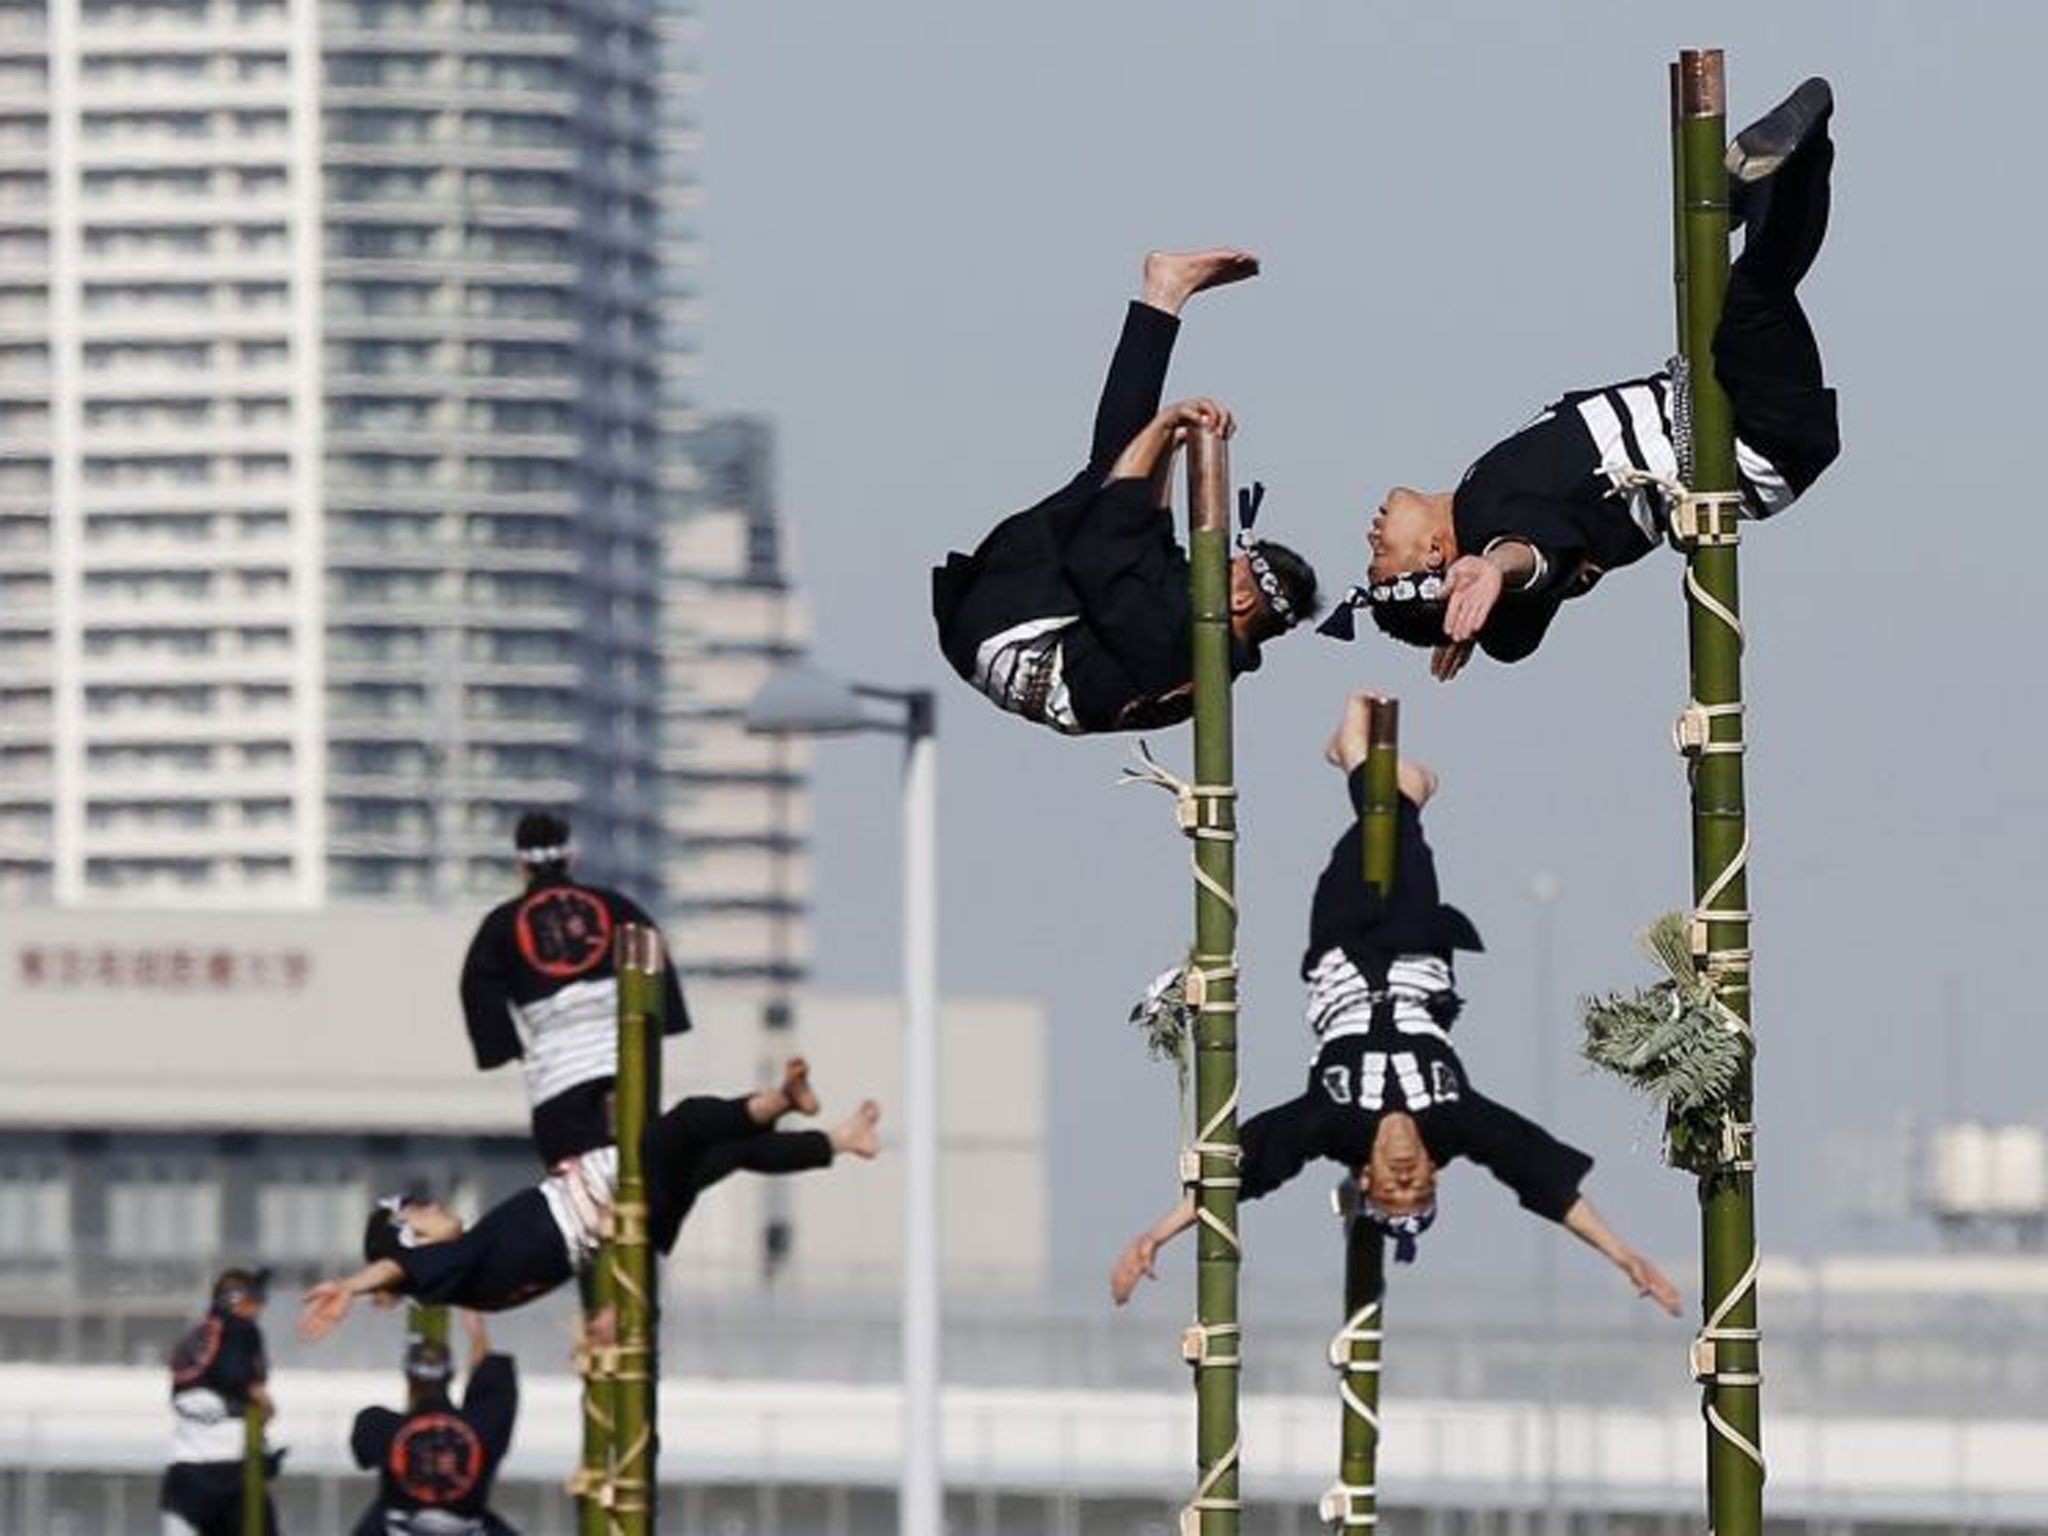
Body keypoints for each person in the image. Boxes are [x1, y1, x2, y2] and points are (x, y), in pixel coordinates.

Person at [1110, 693, 1680, 1313]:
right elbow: (1539, 1177)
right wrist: (1623, 1254)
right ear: (1435, 1170)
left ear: (1366, 1179)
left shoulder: (1332, 1121)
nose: (1405, 1180)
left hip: (1343, 952)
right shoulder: (1455, 1119)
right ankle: (1372, 766)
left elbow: (1243, 1172)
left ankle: (1371, 763)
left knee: (1375, 834)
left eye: (1393, 1191)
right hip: (1417, 950)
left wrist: (1157, 1233)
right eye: (1418, 1191)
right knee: (1402, 835)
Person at [1330, 77, 1838, 681]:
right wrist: (1494, 571)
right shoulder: (1491, 516)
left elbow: (1522, 633)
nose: (1371, 533)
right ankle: (1792, 161)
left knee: (1755, 289)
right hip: (1756, 441)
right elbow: (1537, 556)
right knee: (1752, 294)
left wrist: (1492, 620)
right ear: (1438, 554)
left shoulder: (1487, 499)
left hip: (1730, 414)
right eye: (1380, 553)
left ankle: (1769, 176)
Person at [932, 248, 1320, 733]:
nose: (1215, 566)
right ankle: (1164, 296)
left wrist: (1161, 425)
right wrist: (1171, 449)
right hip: (1048, 639)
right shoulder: (1206, 642)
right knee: (1120, 483)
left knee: (1110, 474)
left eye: (1229, 568)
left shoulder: (1189, 643)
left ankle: (1163, 295)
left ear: (1241, 599)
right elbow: (1143, 545)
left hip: (1009, 636)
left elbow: (1106, 539)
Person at [301, 1060, 880, 1334]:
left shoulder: (475, 1257)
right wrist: (353, 1286)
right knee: (684, 1126)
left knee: (724, 1152)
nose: (433, 1208)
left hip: (618, 1191)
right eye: (419, 1213)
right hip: (627, 1201)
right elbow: (398, 1266)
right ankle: (783, 1099)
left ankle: (840, 1140)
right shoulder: (457, 1265)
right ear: (412, 1239)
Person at [459, 810, 691, 1168]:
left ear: (521, 866)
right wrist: (664, 1020)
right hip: (623, 1059)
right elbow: (651, 952)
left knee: (574, 1190)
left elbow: (477, 985)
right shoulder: (616, 906)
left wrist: (504, 1048)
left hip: (558, 1071)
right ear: (570, 859)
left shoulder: (501, 925)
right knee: (637, 1175)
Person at [349, 1311, 518, 1536]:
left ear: (408, 1378)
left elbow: (363, 1454)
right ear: (451, 1375)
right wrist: (477, 1332)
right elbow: (490, 1382)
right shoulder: (482, 1428)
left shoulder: (380, 1427)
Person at [162, 1266, 284, 1536]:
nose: (261, 1307)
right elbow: (233, 1373)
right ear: (237, 1301)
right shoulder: (240, 1330)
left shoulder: (199, 1335)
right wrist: (261, 1399)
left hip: (184, 1474)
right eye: (256, 1299)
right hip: (232, 1474)